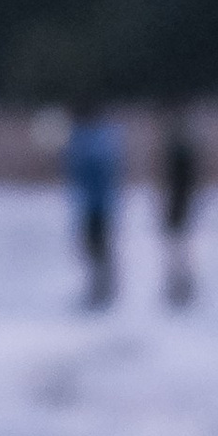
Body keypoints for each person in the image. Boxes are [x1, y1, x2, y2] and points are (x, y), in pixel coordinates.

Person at [64, 103, 125, 308]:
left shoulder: (93, 141)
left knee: (97, 248)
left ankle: (102, 291)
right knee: (94, 248)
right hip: (96, 204)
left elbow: (89, 169)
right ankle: (100, 289)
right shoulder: (101, 138)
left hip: (97, 205)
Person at [157, 109, 204, 306]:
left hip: (179, 202)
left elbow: (178, 179)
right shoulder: (184, 144)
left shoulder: (179, 146)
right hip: (180, 201)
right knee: (179, 245)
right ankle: (181, 286)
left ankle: (181, 286)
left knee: (178, 245)